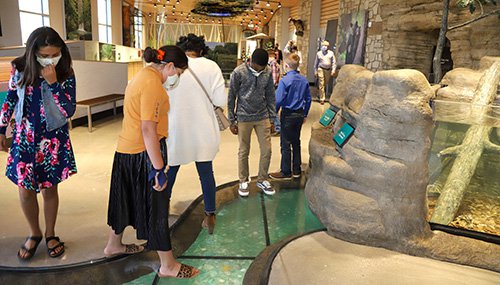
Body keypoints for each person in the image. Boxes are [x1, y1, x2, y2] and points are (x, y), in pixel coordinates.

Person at [104, 45, 199, 278]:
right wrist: (158, 168)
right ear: (168, 66)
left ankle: (113, 245)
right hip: (143, 155)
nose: (176, 77)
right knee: (157, 208)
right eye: (178, 72)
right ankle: (168, 265)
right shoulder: (153, 85)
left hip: (125, 150)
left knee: (123, 199)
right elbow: (148, 129)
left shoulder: (140, 76)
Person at [0, 27, 76, 260]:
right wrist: (2, 128)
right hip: (25, 137)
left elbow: (69, 110)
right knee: (25, 191)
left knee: (49, 188)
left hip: (53, 139)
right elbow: (11, 97)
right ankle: (34, 233)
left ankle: (50, 233)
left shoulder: (65, 72)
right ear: (33, 52)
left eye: (55, 54)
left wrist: (53, 83)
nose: (50, 59)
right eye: (45, 54)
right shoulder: (20, 68)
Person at [165, 34, 226, 235]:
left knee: (170, 170)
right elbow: (219, 99)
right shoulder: (211, 67)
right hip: (203, 130)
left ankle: (161, 209)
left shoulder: (171, 66)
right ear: (202, 50)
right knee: (206, 173)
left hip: (176, 129)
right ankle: (210, 216)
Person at [228, 48, 276, 197]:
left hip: (262, 116)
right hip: (243, 116)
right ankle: (243, 180)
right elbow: (231, 97)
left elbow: (270, 96)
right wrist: (232, 120)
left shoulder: (267, 72)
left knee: (267, 149)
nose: (261, 69)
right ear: (251, 61)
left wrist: (273, 119)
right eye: (258, 67)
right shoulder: (238, 72)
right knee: (244, 150)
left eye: (263, 67)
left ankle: (262, 178)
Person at [269, 54, 311, 180]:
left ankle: (286, 171)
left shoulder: (284, 81)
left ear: (286, 66)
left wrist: (274, 114)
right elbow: (308, 99)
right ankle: (297, 170)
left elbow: (279, 99)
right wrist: (305, 114)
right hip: (299, 114)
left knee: (285, 143)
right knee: (296, 142)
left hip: (287, 115)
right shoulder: (304, 80)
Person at [314, 40, 336, 105]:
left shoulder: (331, 53)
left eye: (326, 46)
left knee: (325, 83)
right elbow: (316, 63)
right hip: (320, 68)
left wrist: (333, 70)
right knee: (321, 82)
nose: (325, 47)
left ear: (328, 47)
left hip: (328, 70)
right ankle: (322, 98)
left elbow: (334, 62)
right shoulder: (319, 53)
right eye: (324, 45)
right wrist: (315, 71)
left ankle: (319, 93)